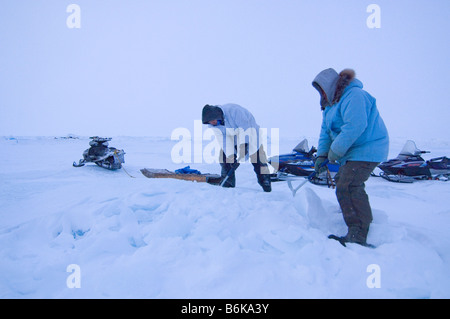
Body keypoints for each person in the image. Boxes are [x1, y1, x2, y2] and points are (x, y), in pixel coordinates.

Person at [312, 68, 389, 246]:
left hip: (369, 147)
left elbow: (355, 125)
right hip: (353, 151)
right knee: (344, 182)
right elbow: (325, 133)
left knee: (348, 185)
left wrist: (335, 152)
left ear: (331, 85)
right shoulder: (329, 107)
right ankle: (359, 221)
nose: (321, 93)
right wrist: (322, 155)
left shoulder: (353, 96)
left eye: (322, 89)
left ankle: (358, 234)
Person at [202, 103, 272, 192]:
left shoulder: (234, 111)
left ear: (217, 115)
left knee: (258, 158)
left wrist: (244, 146)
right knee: (224, 157)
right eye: (209, 122)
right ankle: (228, 182)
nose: (211, 123)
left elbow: (246, 129)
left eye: (212, 120)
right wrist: (232, 156)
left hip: (251, 133)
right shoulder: (214, 126)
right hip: (233, 137)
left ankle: (265, 181)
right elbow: (224, 140)